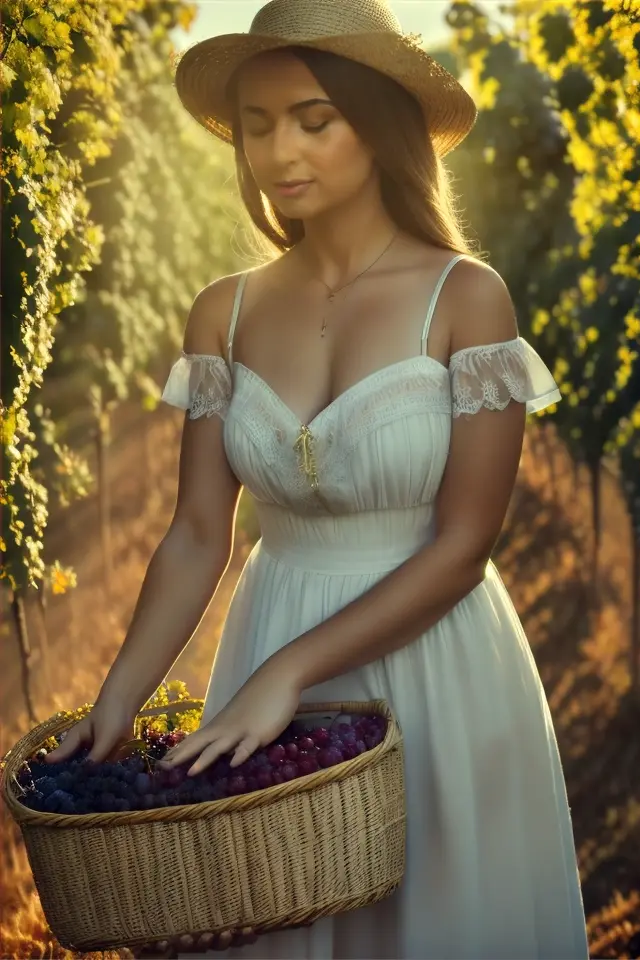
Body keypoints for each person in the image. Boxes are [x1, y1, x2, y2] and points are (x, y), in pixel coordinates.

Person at [46, 1, 589, 957]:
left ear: (376, 126)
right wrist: (119, 700)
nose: (277, 152)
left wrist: (287, 674)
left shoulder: (465, 296)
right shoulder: (225, 312)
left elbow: (466, 546)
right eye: (256, 126)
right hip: (274, 629)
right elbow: (196, 535)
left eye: (311, 119)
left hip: (437, 662)